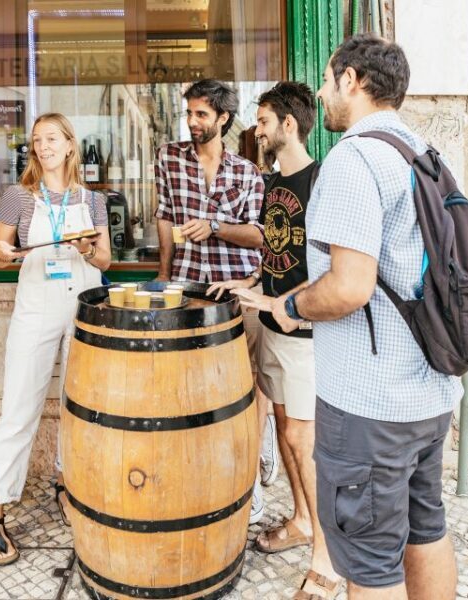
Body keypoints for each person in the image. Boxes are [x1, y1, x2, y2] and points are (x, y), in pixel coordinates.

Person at [259, 34, 461, 599]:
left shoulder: (353, 157)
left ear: (351, 80)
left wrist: (291, 304)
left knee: (370, 563)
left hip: (372, 404)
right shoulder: (425, 153)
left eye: (326, 81)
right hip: (431, 391)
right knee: (426, 527)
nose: (322, 94)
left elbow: (349, 287)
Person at [208, 81, 338, 596]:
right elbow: (276, 254)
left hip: (306, 332)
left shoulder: (321, 182)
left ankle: (326, 557)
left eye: (262, 121)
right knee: (285, 430)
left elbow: (333, 268)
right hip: (275, 322)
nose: (255, 130)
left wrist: (278, 304)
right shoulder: (272, 184)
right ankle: (303, 520)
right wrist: (249, 287)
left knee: (305, 441)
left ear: (288, 124)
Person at [0, 113, 111, 565]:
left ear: (70, 145)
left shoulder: (91, 200)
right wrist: (2, 253)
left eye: (51, 138)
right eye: (37, 140)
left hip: (82, 309)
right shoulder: (18, 196)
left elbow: (107, 259)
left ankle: (66, 484)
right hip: (35, 309)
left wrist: (86, 249)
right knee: (18, 407)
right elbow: (0, 256)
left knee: (77, 406)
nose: (43, 146)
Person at [153, 78, 274, 524]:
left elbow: (260, 236)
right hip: (185, 288)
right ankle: (202, 473)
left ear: (223, 118)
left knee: (245, 382)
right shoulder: (168, 157)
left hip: (237, 288)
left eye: (202, 114)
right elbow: (165, 215)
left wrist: (215, 226)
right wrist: (164, 277)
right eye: (189, 114)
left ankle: (250, 477)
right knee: (192, 384)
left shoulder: (247, 172)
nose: (192, 122)